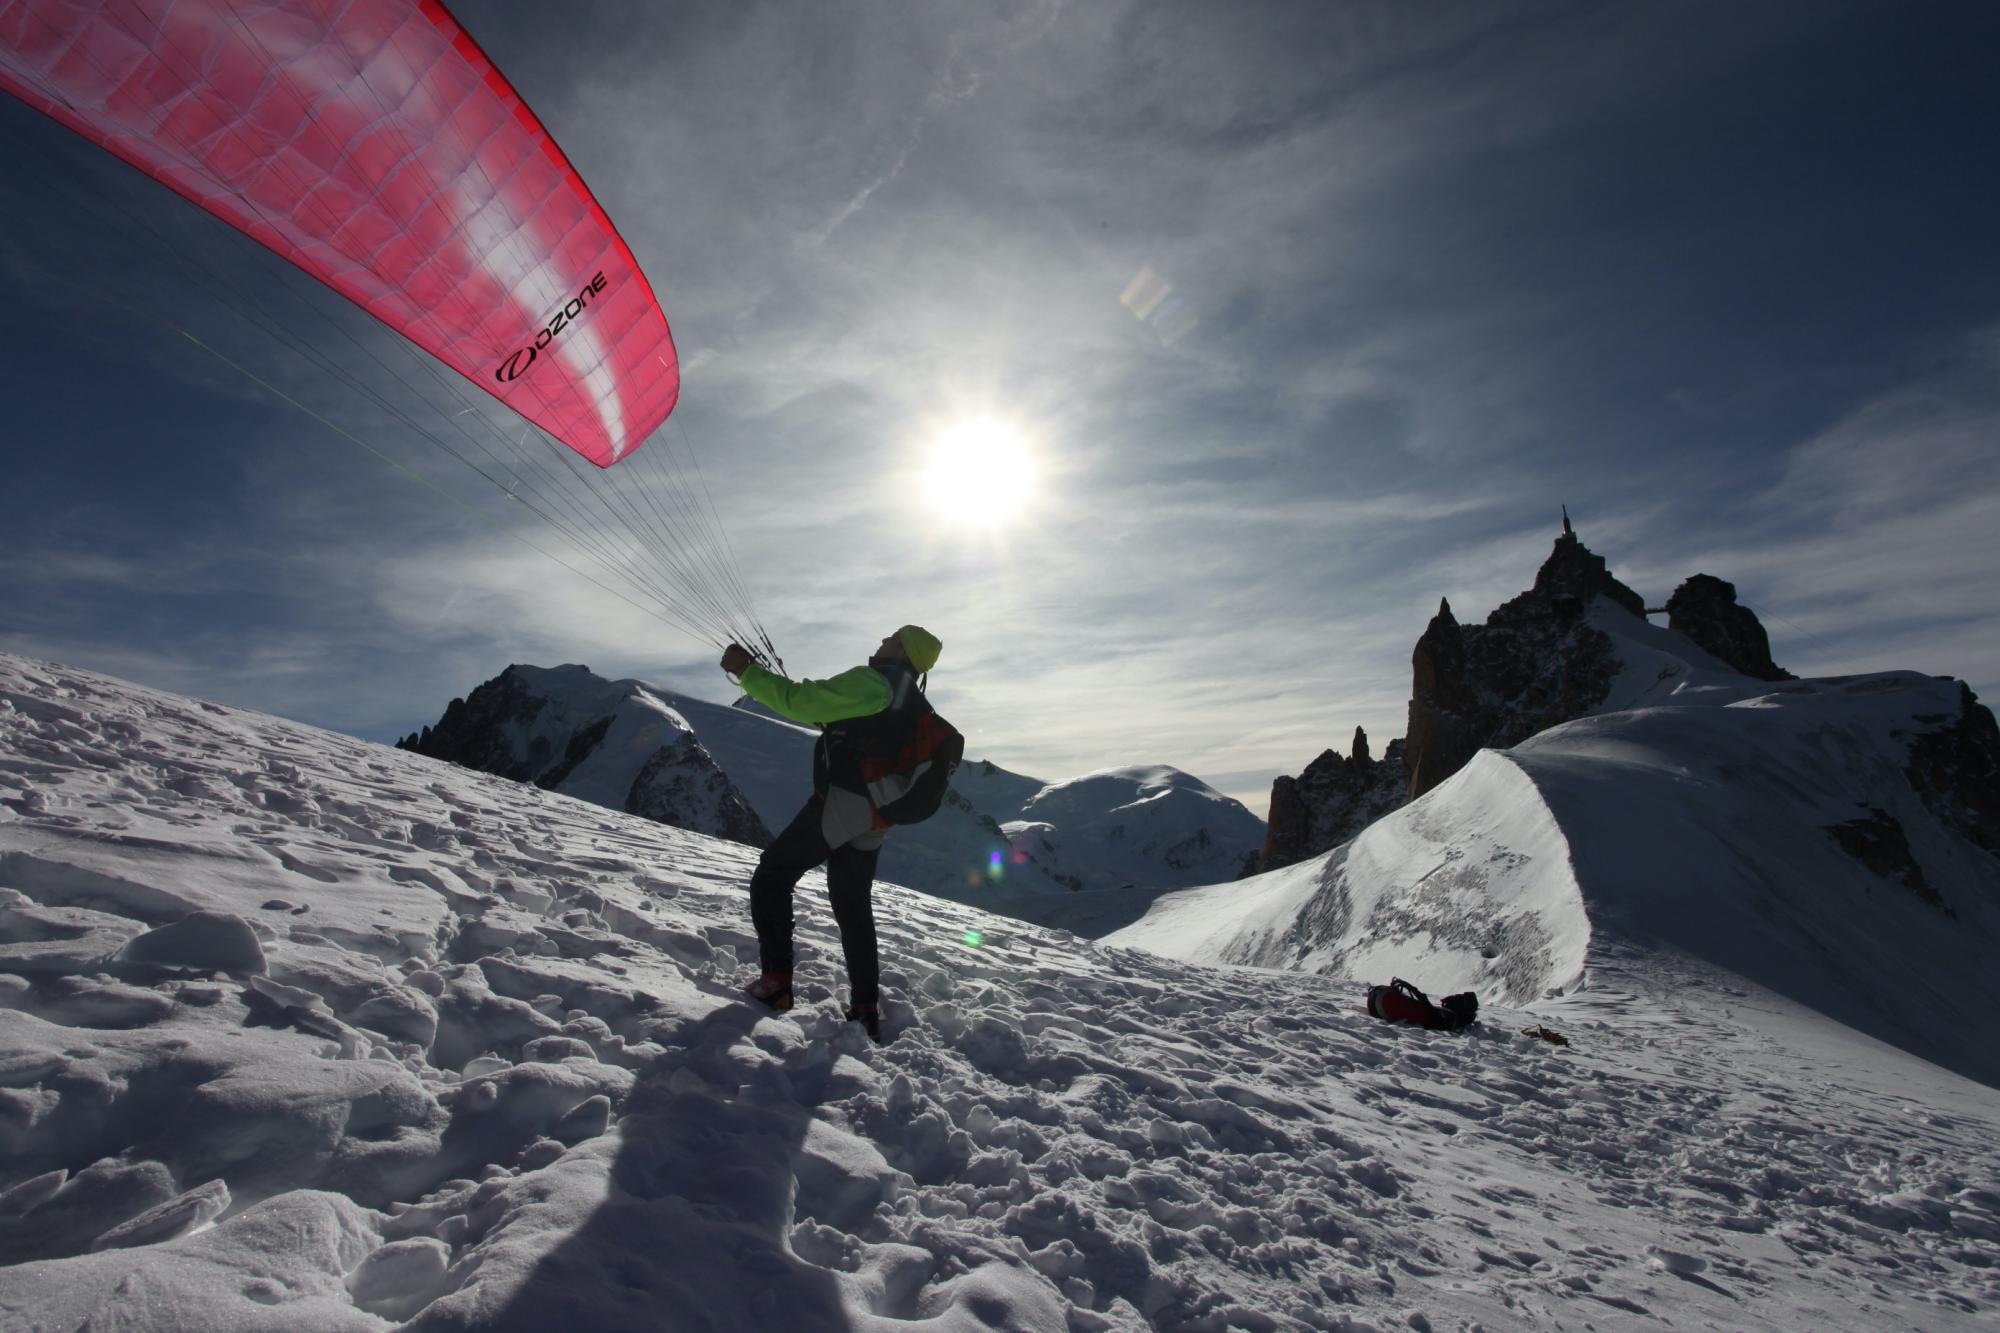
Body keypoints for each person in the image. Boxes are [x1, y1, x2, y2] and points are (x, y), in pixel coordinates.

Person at [720, 625, 943, 1042]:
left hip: (846, 800)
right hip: (877, 814)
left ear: (902, 649)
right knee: (852, 905)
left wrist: (747, 672)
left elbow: (801, 702)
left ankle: (776, 984)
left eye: (891, 637)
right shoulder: (910, 698)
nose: (881, 640)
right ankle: (864, 1010)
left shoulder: (874, 682)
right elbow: (841, 720)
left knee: (773, 875)